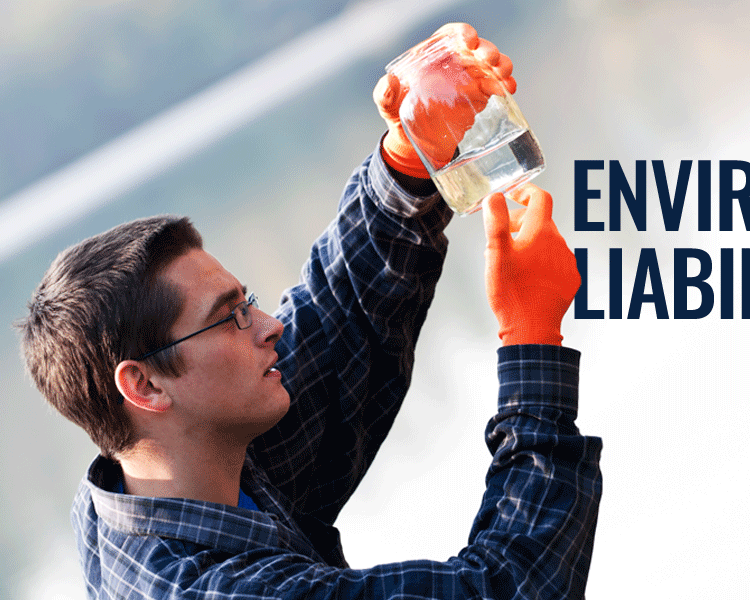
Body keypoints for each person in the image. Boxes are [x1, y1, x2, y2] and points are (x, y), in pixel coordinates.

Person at [17, 23, 601, 600]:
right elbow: (510, 589)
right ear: (142, 384)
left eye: (248, 302)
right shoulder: (222, 590)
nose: (270, 325)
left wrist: (409, 157)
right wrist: (530, 335)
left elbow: (336, 331)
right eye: (231, 316)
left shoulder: (159, 482)